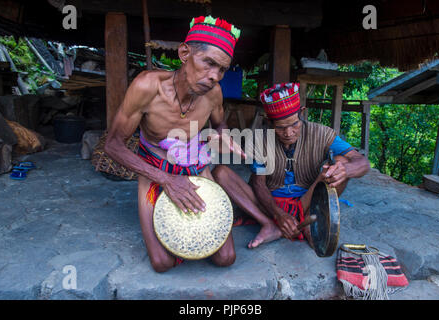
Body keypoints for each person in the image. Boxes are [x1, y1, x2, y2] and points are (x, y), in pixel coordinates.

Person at [104, 16, 244, 272]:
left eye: (222, 69)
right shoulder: (147, 87)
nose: (215, 76)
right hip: (155, 169)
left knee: (225, 257)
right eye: (209, 63)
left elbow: (219, 124)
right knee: (162, 263)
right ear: (184, 53)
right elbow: (113, 145)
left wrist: (221, 136)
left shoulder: (214, 94)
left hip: (194, 166)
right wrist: (166, 179)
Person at [212, 82, 370, 249]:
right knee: (221, 172)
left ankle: (310, 220)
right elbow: (259, 184)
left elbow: (361, 162)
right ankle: (270, 224)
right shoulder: (261, 140)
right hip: (270, 204)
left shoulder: (321, 133)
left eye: (294, 124)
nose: (288, 133)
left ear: (302, 113)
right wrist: (278, 214)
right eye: (280, 128)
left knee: (342, 162)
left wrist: (345, 171)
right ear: (269, 122)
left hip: (308, 201)